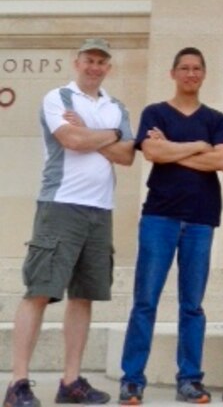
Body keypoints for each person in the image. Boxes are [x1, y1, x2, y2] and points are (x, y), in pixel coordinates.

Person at [3, 38, 135, 407]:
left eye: (101, 62)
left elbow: (127, 156)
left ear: (108, 67)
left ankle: (71, 382)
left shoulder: (116, 106)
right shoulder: (58, 98)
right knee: (39, 290)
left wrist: (98, 134)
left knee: (83, 294)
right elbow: (72, 139)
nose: (95, 67)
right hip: (60, 205)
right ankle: (18, 384)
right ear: (76, 62)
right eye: (89, 60)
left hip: (100, 210)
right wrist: (111, 134)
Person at [118, 47, 223, 406]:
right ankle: (133, 381)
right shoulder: (155, 112)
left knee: (192, 305)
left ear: (204, 74)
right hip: (159, 218)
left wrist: (174, 147)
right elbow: (152, 153)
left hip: (201, 219)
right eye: (184, 68)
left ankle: (190, 381)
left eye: (197, 68)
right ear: (173, 73)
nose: (190, 74)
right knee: (145, 301)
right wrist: (197, 147)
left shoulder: (216, 118)